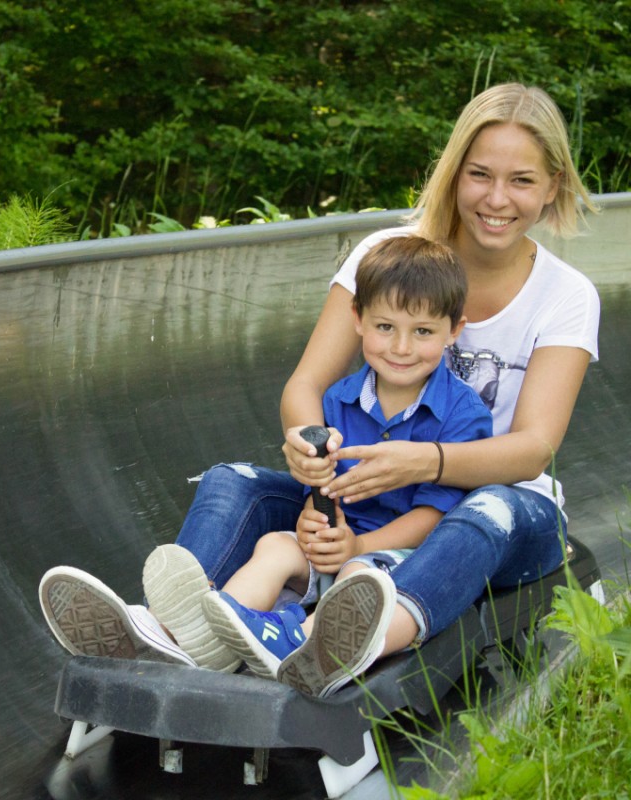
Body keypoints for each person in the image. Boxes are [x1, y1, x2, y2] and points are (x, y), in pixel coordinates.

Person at [40, 82, 600, 697]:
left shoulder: (565, 296)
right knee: (235, 480)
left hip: (501, 512)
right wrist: (313, 454)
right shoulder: (383, 256)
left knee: (481, 508)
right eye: (480, 175)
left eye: (521, 180)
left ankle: (333, 644)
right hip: (360, 495)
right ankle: (170, 634)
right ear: (455, 174)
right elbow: (306, 386)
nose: (497, 199)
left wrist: (424, 461)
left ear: (553, 186)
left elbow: (533, 448)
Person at [198, 235, 492, 695]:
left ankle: (300, 641)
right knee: (277, 546)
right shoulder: (336, 400)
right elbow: (321, 492)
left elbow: (437, 516)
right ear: (357, 319)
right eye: (385, 326)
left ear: (455, 330)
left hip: (399, 554)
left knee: (360, 579)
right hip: (341, 543)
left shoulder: (463, 414)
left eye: (423, 331)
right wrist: (314, 524)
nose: (400, 347)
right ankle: (212, 641)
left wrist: (360, 547)